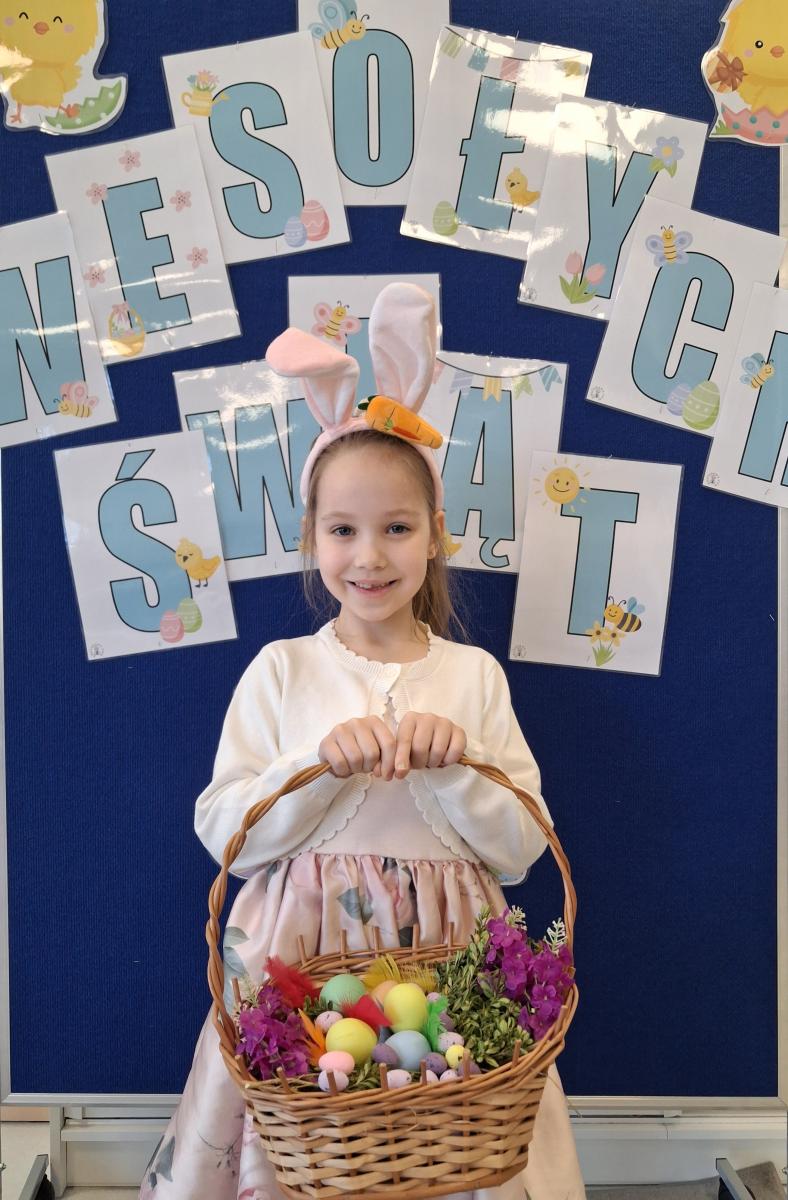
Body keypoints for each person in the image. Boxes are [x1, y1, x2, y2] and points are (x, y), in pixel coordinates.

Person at [140, 283, 585, 1200]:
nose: (370, 555)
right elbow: (227, 833)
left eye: (397, 528)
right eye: (343, 530)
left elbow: (519, 849)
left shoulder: (472, 676)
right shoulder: (283, 671)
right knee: (305, 1143)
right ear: (313, 537)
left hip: (450, 971)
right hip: (299, 968)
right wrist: (314, 765)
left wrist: (456, 766)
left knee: (453, 1138)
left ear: (435, 537)